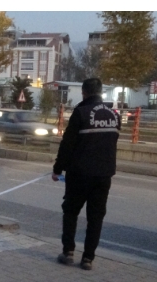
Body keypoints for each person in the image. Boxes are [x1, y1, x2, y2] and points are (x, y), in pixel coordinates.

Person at [51, 78, 121, 271]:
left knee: (71, 212)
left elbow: (68, 145)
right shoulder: (114, 115)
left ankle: (68, 252)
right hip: (104, 175)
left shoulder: (81, 112)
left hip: (79, 174)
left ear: (84, 92)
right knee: (96, 217)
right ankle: (88, 258)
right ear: (101, 93)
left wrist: (58, 169)